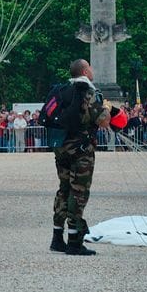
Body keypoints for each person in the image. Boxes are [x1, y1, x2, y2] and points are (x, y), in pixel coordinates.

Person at [51, 59, 111, 256]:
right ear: (85, 71)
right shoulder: (88, 92)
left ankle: (57, 238)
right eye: (90, 67)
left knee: (64, 189)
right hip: (81, 151)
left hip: (61, 148)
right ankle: (75, 242)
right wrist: (108, 109)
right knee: (78, 193)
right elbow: (102, 121)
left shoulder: (62, 91)